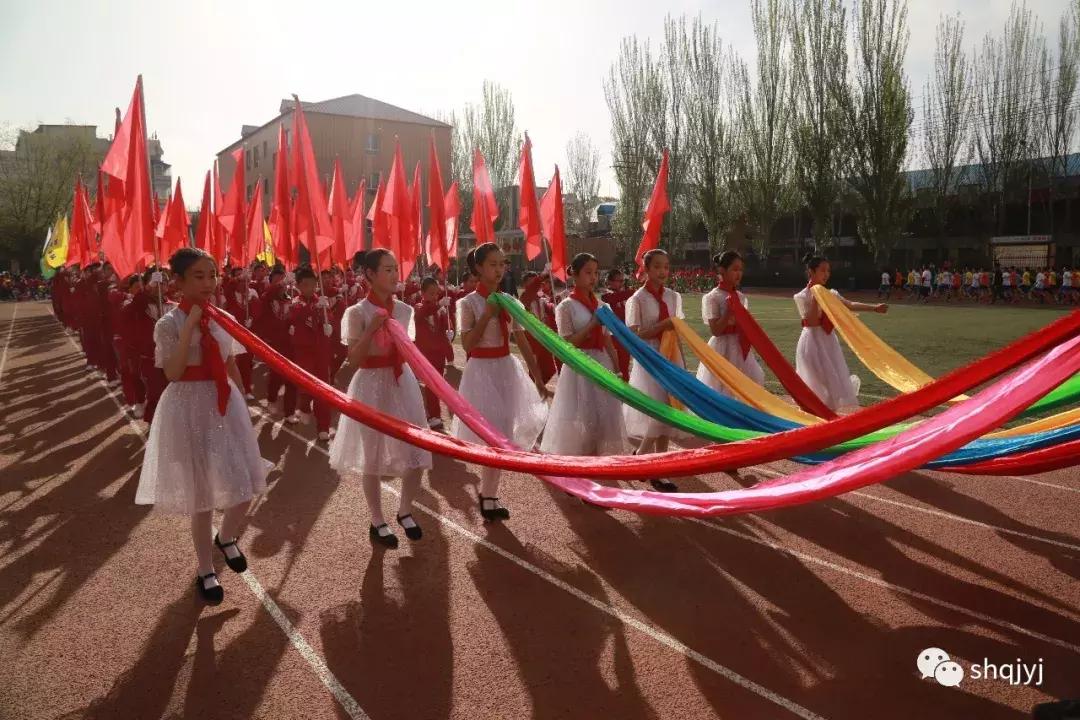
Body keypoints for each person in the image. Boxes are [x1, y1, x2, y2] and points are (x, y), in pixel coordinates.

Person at [135, 248, 272, 605]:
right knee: (202, 497)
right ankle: (205, 569)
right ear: (177, 281)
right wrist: (189, 327)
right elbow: (172, 372)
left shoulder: (224, 318)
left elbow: (229, 363)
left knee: (244, 486)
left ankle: (225, 538)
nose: (208, 283)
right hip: (187, 408)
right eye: (198, 276)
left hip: (224, 404)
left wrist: (243, 405)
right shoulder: (167, 324)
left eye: (212, 275)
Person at [330, 249, 432, 548]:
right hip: (370, 386)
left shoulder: (405, 310)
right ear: (370, 275)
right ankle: (377, 519)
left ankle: (405, 510)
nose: (394, 274)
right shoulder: (357, 313)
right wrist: (371, 329)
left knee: (417, 450)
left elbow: (409, 352)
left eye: (395, 268)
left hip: (401, 383)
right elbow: (353, 360)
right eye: (387, 269)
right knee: (372, 456)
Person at [451, 242, 549, 521]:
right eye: (492, 264)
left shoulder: (511, 301)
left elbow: (522, 340)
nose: (499, 270)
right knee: (489, 435)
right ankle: (487, 495)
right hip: (481, 372)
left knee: (503, 431)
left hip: (506, 369)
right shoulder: (467, 303)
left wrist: (537, 377)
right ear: (478, 268)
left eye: (502, 264)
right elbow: (468, 343)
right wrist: (487, 314)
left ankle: (489, 495)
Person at [540, 253, 627, 457]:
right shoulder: (566, 306)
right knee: (581, 420)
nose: (593, 277)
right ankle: (582, 466)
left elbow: (607, 341)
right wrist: (592, 324)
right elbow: (567, 344)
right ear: (575, 275)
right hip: (579, 367)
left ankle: (598, 466)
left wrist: (617, 369)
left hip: (602, 364)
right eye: (588, 272)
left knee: (603, 420)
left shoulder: (603, 306)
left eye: (596, 273)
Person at [623, 249, 686, 493]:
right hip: (650, 360)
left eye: (666, 267)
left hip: (671, 358)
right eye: (657, 266)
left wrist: (682, 364)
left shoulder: (673, 297)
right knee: (659, 412)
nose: (662, 271)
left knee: (668, 413)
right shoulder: (637, 299)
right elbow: (634, 335)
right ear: (646, 269)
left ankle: (657, 467)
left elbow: (677, 331)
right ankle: (645, 460)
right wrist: (661, 325)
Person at [794, 252, 887, 412]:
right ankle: (812, 413)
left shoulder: (831, 294)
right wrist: (816, 297)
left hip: (828, 341)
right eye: (822, 270)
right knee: (815, 379)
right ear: (811, 272)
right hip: (811, 342)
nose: (826, 274)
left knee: (832, 379)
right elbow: (812, 322)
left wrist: (874, 308)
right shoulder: (802, 296)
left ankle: (828, 415)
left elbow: (849, 305)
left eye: (828, 271)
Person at [695, 250, 765, 397]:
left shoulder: (741, 297)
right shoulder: (712, 297)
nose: (738, 273)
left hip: (740, 346)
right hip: (722, 348)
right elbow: (715, 330)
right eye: (734, 269)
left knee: (752, 381)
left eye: (741, 270)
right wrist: (729, 312)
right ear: (722, 270)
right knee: (721, 386)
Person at [287, 266, 335, 441]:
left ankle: (323, 426)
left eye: (313, 284)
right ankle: (304, 406)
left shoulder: (321, 301)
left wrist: (328, 321)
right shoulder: (295, 303)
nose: (311, 288)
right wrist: (315, 308)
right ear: (299, 286)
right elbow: (297, 315)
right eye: (306, 285)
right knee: (306, 386)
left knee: (323, 388)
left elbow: (329, 318)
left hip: (320, 351)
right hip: (304, 351)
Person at [413, 277, 455, 430]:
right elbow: (422, 314)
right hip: (425, 353)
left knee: (436, 385)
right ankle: (433, 415)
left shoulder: (440, 310)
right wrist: (438, 305)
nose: (435, 296)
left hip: (439, 354)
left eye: (436, 293)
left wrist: (450, 332)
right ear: (422, 293)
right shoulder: (418, 307)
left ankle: (433, 413)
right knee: (430, 385)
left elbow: (446, 328)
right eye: (431, 293)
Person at [601, 268, 634, 380]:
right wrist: (634, 291)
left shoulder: (622, 296)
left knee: (624, 368)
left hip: (624, 336)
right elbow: (615, 298)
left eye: (622, 281)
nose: (621, 283)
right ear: (609, 281)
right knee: (614, 369)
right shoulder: (606, 296)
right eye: (618, 281)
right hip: (612, 338)